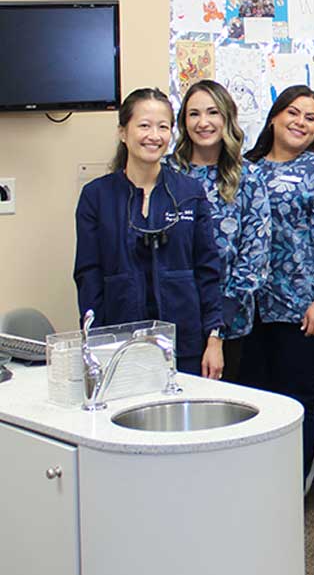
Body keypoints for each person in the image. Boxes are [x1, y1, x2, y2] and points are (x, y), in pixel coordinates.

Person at [239, 85, 314, 480]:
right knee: (256, 403)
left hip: (305, 311)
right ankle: (257, 488)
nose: (300, 122)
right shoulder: (244, 169)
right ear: (274, 117)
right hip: (250, 312)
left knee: (298, 402)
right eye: (293, 112)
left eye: (311, 118)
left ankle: (290, 491)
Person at [74, 87, 224, 377]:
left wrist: (214, 339)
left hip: (186, 344)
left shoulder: (189, 193)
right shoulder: (96, 196)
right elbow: (88, 274)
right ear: (122, 131)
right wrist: (95, 343)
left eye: (163, 127)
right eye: (144, 125)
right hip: (119, 344)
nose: (154, 136)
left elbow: (208, 271)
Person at [168, 79, 271, 380]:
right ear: (183, 121)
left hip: (230, 321)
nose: (203, 122)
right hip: (174, 319)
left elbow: (255, 257)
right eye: (193, 114)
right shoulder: (167, 173)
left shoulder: (248, 177)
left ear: (226, 118)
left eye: (212, 113)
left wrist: (218, 325)